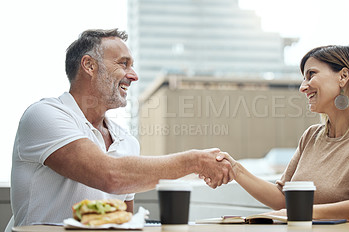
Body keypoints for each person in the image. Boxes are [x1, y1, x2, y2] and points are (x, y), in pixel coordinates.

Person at [10, 29, 233, 226]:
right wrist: (194, 162)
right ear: (89, 65)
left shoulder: (128, 142)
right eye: (123, 64)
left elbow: (125, 223)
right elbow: (110, 176)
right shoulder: (44, 115)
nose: (134, 76)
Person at [220, 45, 349, 222]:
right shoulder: (311, 136)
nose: (303, 87)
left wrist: (302, 212)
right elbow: (283, 199)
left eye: (311, 74)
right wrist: (235, 169)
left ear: (343, 76)